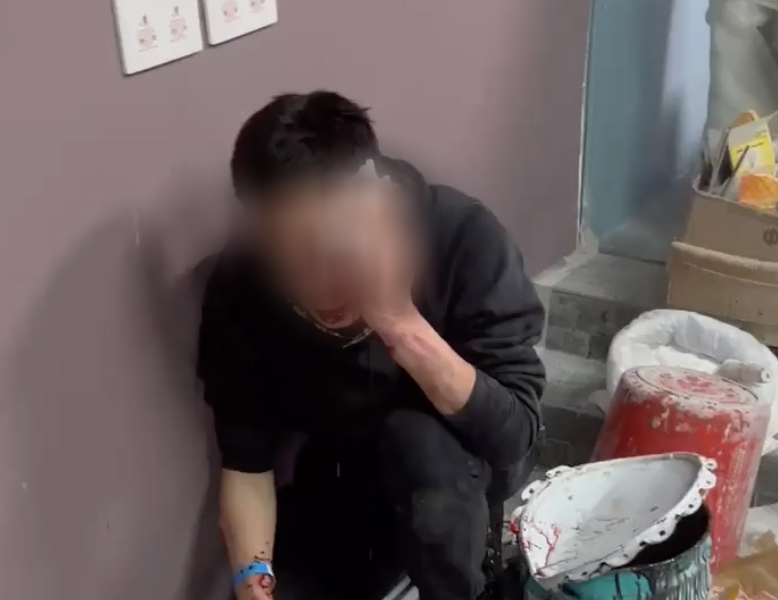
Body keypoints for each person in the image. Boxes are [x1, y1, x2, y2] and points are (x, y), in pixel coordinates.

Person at [197, 90, 546, 600]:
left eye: (329, 250)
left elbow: (514, 437)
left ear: (378, 208)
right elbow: (246, 463)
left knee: (418, 447)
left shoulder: (463, 236)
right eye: (288, 260)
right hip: (345, 468)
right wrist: (253, 585)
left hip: (462, 462)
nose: (315, 285)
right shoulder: (243, 282)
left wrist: (401, 324)